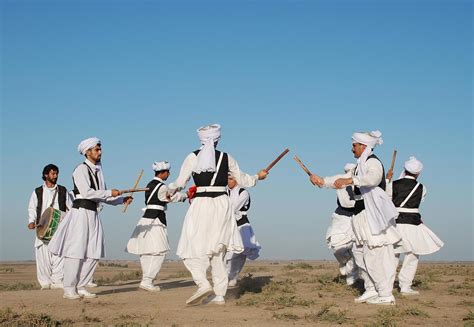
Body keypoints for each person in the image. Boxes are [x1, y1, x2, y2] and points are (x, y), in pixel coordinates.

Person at [168, 124, 268, 305]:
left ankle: (202, 283)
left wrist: (169, 190)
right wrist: (258, 176)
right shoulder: (226, 157)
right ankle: (220, 295)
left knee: (190, 245)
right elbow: (244, 179)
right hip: (222, 204)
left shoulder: (192, 157)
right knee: (218, 251)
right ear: (218, 139)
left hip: (202, 204)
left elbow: (180, 182)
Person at [312, 130, 400, 305]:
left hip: (370, 214)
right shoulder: (360, 165)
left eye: (354, 145)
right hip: (360, 214)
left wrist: (350, 181)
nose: (352, 148)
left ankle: (385, 294)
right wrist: (322, 181)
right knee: (359, 254)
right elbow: (340, 179)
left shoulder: (372, 162)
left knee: (372, 254)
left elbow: (373, 178)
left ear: (363, 146)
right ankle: (371, 289)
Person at [49, 137, 133, 300]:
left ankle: (81, 285)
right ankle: (69, 289)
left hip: (93, 213)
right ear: (87, 152)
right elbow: (87, 193)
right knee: (76, 251)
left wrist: (121, 199)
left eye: (100, 149)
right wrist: (110, 193)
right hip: (80, 213)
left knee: (94, 252)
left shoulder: (98, 172)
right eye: (96, 149)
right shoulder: (80, 170)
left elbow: (102, 196)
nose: (100, 152)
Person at [126, 161, 187, 292]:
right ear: (164, 172)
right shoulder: (161, 187)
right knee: (159, 250)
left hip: (147, 218)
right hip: (155, 220)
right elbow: (171, 197)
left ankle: (146, 280)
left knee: (147, 250)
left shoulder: (150, 184)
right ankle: (147, 280)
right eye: (168, 172)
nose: (169, 174)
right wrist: (186, 195)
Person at [386, 156, 444, 295]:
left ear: (405, 170)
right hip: (412, 224)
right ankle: (405, 287)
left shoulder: (392, 184)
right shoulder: (422, 188)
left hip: (395, 223)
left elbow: (387, 201)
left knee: (392, 255)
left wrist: (388, 181)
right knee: (412, 254)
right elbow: (416, 204)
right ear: (418, 173)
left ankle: (386, 286)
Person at [311, 163, 358, 285]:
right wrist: (317, 179)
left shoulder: (365, 180)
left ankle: (352, 275)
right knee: (337, 246)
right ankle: (346, 263)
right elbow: (325, 182)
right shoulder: (339, 178)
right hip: (342, 217)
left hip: (359, 216)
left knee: (357, 248)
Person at [27, 164, 70, 289]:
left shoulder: (63, 190)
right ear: (46, 175)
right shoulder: (37, 191)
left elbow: (70, 206)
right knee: (43, 256)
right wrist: (31, 221)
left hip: (59, 227)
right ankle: (45, 283)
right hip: (43, 227)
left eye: (56, 173)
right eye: (53, 173)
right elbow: (32, 207)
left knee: (59, 255)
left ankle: (57, 281)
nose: (55, 176)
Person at [225, 174, 261, 288]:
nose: (228, 181)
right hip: (228, 226)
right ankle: (227, 278)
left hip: (241, 226)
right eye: (227, 179)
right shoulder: (225, 192)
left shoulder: (243, 193)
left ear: (236, 179)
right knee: (228, 254)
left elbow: (233, 208)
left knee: (239, 253)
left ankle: (232, 277)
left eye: (230, 179)